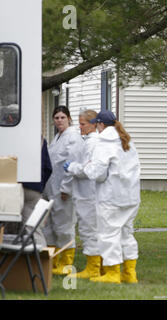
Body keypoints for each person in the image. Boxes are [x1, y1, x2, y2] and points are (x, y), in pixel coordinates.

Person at [65, 110, 141, 284]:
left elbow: (96, 173)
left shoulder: (103, 142)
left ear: (100, 124)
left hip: (111, 197)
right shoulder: (127, 140)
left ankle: (113, 273)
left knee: (108, 234)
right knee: (126, 234)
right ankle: (130, 273)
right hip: (131, 196)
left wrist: (75, 168)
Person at [43, 106, 84, 275]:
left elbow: (71, 164)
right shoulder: (57, 138)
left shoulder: (73, 137)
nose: (59, 120)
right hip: (51, 189)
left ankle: (66, 265)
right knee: (50, 228)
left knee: (65, 227)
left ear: (69, 119)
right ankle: (53, 263)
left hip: (63, 191)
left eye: (62, 117)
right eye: (56, 117)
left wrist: (66, 188)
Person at [63, 110, 101, 279]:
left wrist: (72, 167)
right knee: (90, 229)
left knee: (89, 230)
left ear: (93, 124)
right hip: (87, 193)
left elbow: (87, 169)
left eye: (83, 124)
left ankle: (93, 267)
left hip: (89, 194)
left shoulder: (93, 143)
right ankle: (97, 265)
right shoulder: (90, 141)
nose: (80, 127)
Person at [4, 136, 52, 246]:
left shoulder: (7, 138)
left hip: (10, 187)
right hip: (33, 188)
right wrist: (39, 186)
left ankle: (8, 260)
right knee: (33, 228)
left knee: (6, 226)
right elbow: (48, 168)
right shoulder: (40, 140)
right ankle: (41, 259)